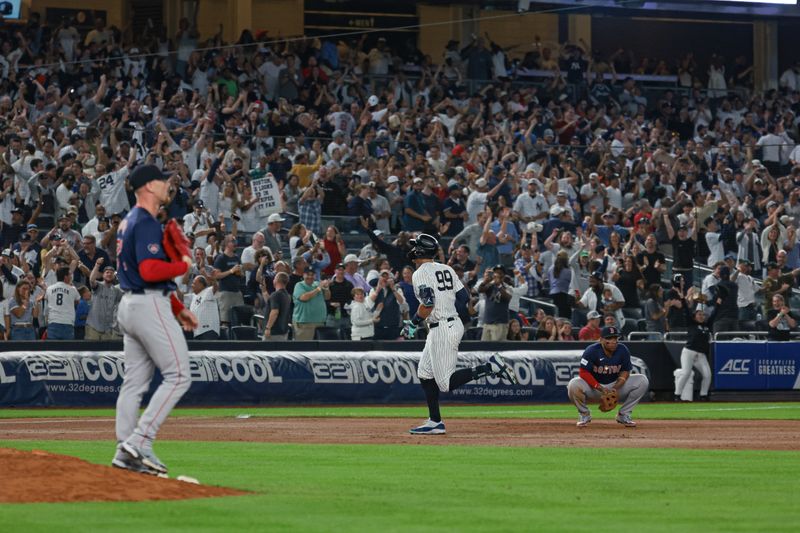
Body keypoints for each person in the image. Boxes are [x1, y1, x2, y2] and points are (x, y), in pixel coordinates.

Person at [112, 165, 199, 476]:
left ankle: (126, 451)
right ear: (149, 186)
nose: (167, 184)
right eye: (162, 180)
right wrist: (183, 265)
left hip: (131, 304)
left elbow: (142, 273)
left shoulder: (128, 221)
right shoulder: (145, 221)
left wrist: (178, 307)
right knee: (179, 375)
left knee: (134, 383)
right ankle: (140, 441)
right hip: (148, 305)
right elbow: (150, 272)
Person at [402, 233, 517, 435]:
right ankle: (435, 421)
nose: (412, 249)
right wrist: (457, 318)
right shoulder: (446, 268)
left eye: (415, 246)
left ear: (420, 251)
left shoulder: (419, 273)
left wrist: (413, 323)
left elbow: (428, 303)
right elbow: (464, 297)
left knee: (444, 383)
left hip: (442, 327)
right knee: (424, 373)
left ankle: (490, 367)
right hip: (448, 323)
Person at [567, 326, 650, 427]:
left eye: (615, 338)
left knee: (642, 380)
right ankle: (584, 414)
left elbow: (625, 371)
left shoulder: (622, 350)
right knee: (573, 384)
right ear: (601, 340)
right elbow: (583, 372)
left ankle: (624, 414)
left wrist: (616, 387)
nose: (613, 341)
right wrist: (600, 388)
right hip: (594, 387)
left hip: (615, 386)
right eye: (609, 338)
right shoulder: (592, 350)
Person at [674, 290, 714, 402]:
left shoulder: (707, 326)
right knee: (686, 372)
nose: (702, 316)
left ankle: (703, 395)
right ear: (695, 316)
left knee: (707, 374)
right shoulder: (691, 324)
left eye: (703, 314)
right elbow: (686, 311)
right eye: (699, 314)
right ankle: (677, 395)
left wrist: (719, 303)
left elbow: (714, 314)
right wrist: (683, 299)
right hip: (689, 352)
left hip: (700, 354)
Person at [292, 267, 331, 340]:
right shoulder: (299, 285)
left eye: (312, 275)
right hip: (305, 324)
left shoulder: (317, 284)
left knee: (320, 350)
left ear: (315, 276)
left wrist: (326, 288)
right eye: (308, 274)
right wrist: (318, 289)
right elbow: (304, 298)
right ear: (303, 275)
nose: (310, 277)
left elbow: (327, 297)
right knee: (305, 349)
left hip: (320, 323)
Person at [45, 267, 80, 340]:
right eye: (70, 274)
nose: (71, 276)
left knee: (53, 350)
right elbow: (77, 301)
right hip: (67, 322)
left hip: (53, 321)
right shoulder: (72, 289)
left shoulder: (49, 288)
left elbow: (47, 299)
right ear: (65, 277)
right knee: (67, 349)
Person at [189, 275, 220, 340]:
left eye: (194, 283)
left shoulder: (208, 291)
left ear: (201, 284)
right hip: (197, 332)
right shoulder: (194, 296)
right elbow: (180, 297)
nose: (192, 285)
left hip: (208, 331)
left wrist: (213, 280)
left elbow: (215, 288)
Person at [262, 271, 292, 340]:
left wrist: (268, 328)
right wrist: (264, 290)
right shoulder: (287, 295)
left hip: (273, 333)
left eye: (274, 278)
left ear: (276, 280)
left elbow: (274, 312)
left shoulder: (275, 295)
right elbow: (270, 303)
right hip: (283, 332)